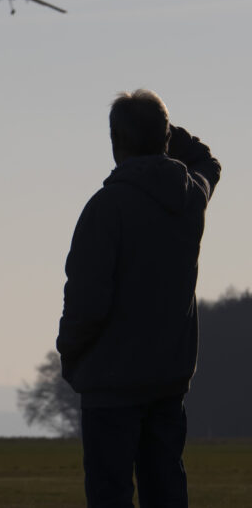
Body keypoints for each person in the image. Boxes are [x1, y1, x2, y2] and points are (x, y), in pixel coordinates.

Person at [57, 90, 221, 508]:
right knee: (166, 490)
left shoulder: (105, 208)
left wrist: (71, 354)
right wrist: (168, 135)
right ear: (165, 138)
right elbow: (207, 162)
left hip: (110, 381)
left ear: (116, 141)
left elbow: (85, 302)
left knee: (110, 495)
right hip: (169, 378)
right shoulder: (190, 200)